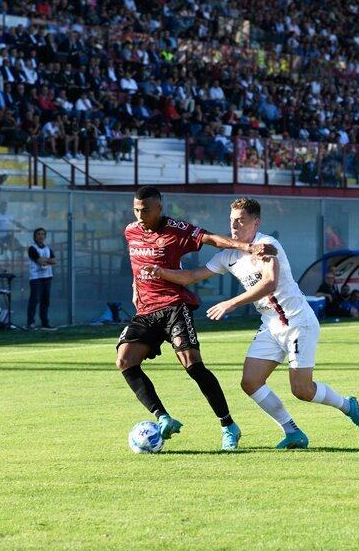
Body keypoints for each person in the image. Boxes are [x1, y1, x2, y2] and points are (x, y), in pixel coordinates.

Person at [144, 197, 359, 450]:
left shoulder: (267, 245)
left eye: (241, 221)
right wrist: (161, 272)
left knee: (302, 390)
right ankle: (292, 432)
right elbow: (191, 276)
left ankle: (347, 405)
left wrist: (231, 303)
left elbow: (269, 282)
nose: (234, 226)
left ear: (256, 222)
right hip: (271, 324)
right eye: (232, 221)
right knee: (250, 382)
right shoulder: (228, 255)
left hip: (298, 322)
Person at [116, 187, 279, 451]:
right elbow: (136, 263)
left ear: (159, 208)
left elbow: (212, 239)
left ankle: (229, 426)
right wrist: (136, 288)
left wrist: (248, 247)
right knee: (125, 361)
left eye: (145, 209)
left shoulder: (176, 229)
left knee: (193, 365)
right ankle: (163, 417)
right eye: (136, 209)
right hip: (146, 310)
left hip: (174, 307)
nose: (140, 214)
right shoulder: (131, 231)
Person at [27, 227, 57, 331]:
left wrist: (46, 260)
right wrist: (47, 260)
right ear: (35, 236)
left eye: (43, 234)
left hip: (47, 277)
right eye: (39, 234)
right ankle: (30, 322)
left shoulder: (48, 248)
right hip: (36, 278)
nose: (41, 236)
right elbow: (39, 261)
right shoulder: (32, 248)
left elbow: (54, 261)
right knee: (34, 300)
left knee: (45, 301)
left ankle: (45, 322)